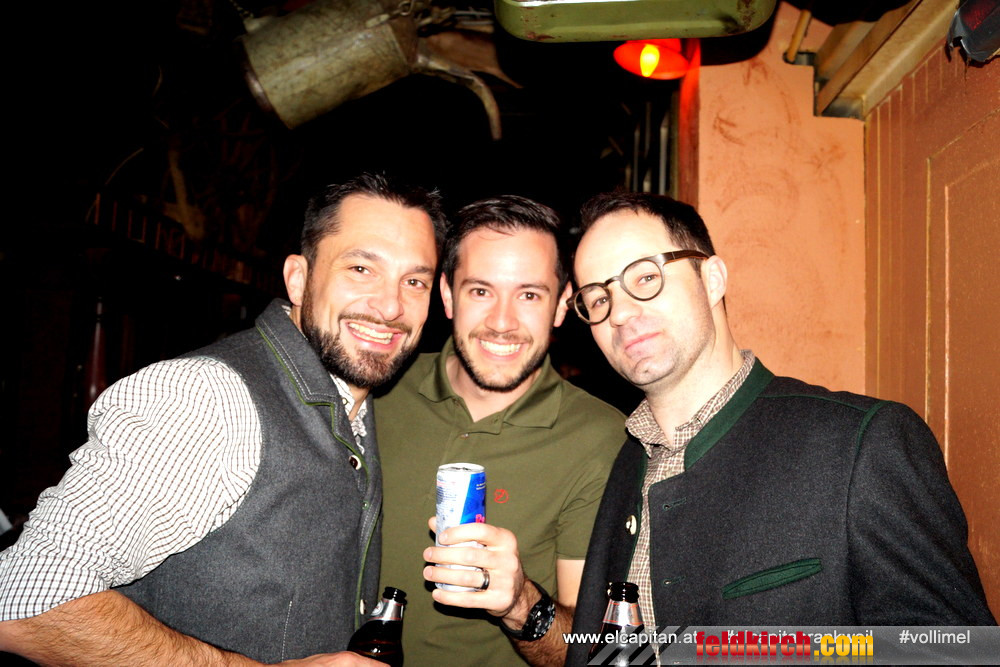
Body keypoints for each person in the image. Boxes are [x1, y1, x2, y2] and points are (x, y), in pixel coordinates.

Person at [0, 172, 447, 665]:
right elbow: (23, 601)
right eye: (361, 269)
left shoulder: (362, 405)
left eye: (414, 281)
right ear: (299, 279)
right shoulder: (206, 396)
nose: (390, 306)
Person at [564, 192, 996, 663]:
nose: (620, 313)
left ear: (712, 279)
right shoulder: (626, 462)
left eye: (646, 277)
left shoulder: (862, 445)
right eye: (599, 298)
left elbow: (957, 653)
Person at [374, 195, 625, 665]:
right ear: (447, 295)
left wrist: (519, 603)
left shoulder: (601, 438)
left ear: (562, 305)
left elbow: (591, 649)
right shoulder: (377, 390)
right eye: (481, 291)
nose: (502, 323)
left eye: (529, 295)